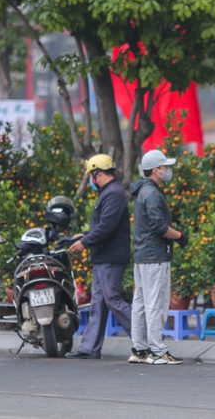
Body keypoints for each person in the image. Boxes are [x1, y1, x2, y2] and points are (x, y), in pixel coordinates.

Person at [66, 154, 132, 360]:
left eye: (91, 176)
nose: (91, 181)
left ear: (97, 174)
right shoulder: (108, 193)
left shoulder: (113, 194)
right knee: (98, 303)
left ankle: (145, 339)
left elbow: (107, 227)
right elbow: (103, 226)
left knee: (112, 299)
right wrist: (84, 235)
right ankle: (89, 348)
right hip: (104, 256)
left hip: (111, 257)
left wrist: (84, 242)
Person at [129, 150, 188, 365]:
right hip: (155, 255)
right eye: (164, 167)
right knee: (155, 303)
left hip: (142, 255)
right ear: (156, 170)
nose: (167, 170)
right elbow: (159, 226)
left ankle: (139, 349)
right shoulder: (152, 194)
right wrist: (180, 236)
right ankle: (157, 350)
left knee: (141, 302)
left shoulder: (142, 191)